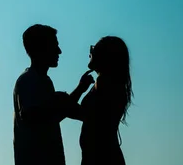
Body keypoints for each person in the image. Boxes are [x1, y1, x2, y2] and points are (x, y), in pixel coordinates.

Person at [13, 24, 93, 165]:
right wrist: (65, 99)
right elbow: (35, 117)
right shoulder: (28, 80)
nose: (59, 51)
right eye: (54, 46)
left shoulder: (43, 81)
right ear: (40, 48)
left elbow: (53, 113)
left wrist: (76, 93)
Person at [71, 36, 133, 165]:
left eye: (94, 49)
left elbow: (85, 114)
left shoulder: (104, 83)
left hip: (100, 157)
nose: (91, 52)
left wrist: (74, 94)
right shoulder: (113, 84)